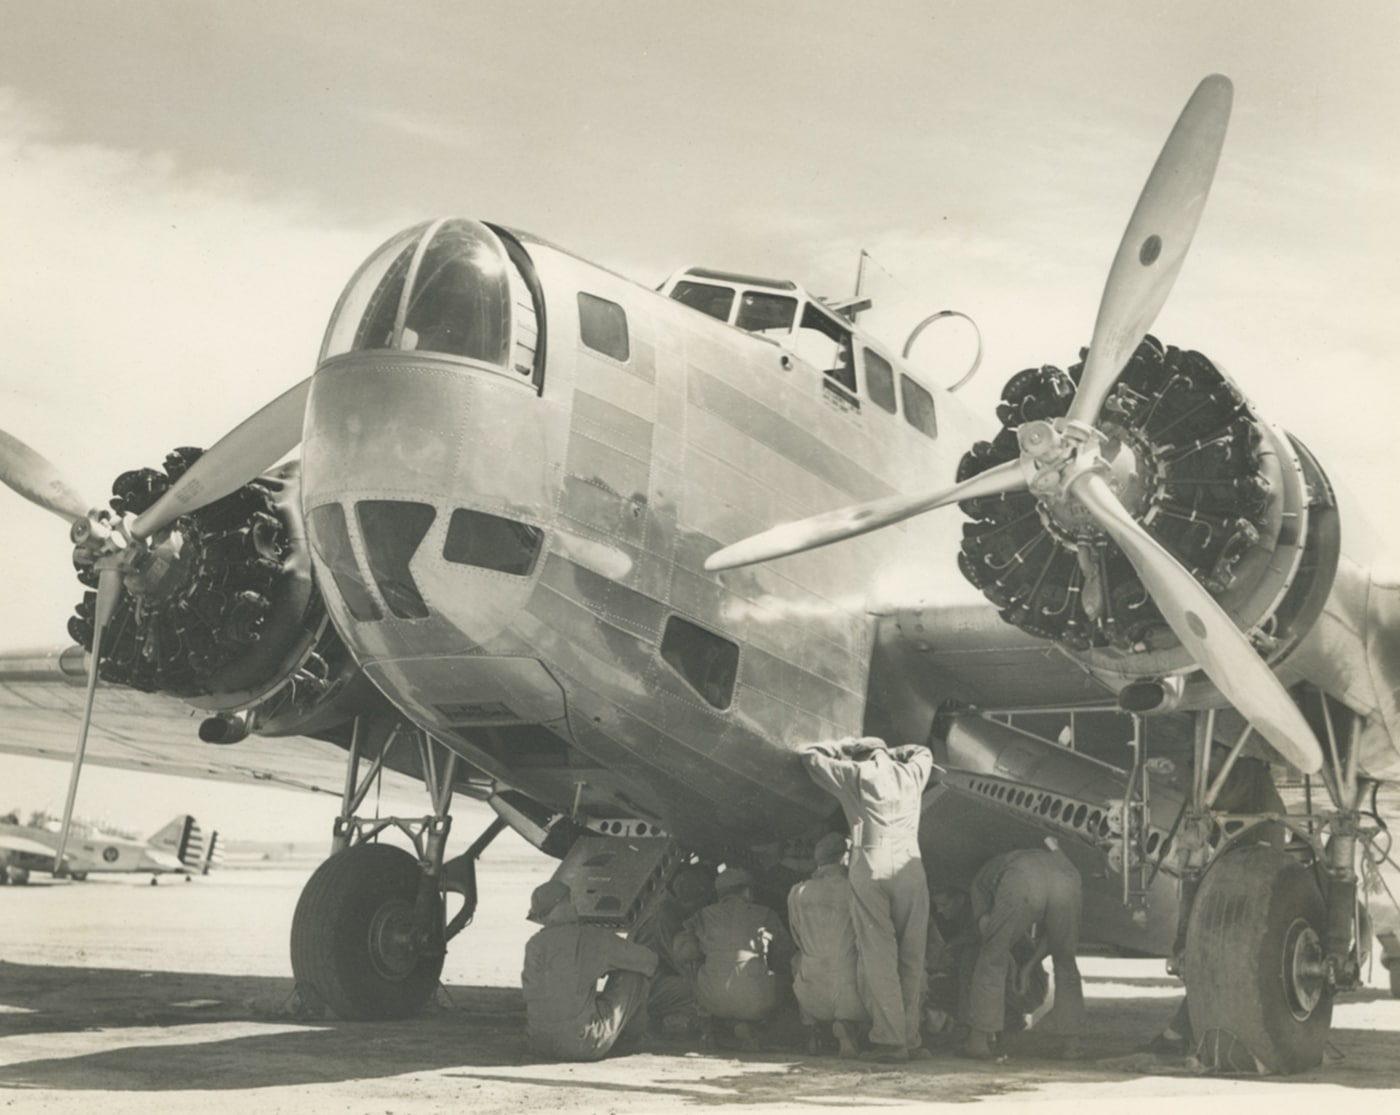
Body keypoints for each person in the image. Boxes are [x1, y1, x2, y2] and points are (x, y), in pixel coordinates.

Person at [801, 736, 935, 1062]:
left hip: (871, 862)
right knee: (912, 957)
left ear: (860, 757)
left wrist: (842, 747)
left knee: (879, 957)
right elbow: (923, 751)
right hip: (911, 865)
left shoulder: (856, 774)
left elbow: (810, 757)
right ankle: (911, 1037)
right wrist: (892, 752)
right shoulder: (911, 773)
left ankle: (891, 1042)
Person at [963, 838, 1084, 1061]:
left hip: (1022, 880)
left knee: (991, 961)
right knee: (1066, 961)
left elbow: (989, 935)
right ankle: (1071, 1046)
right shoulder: (1028, 856)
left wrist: (1009, 961)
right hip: (1066, 873)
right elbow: (1054, 939)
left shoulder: (981, 881)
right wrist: (1029, 966)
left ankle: (978, 1042)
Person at [520, 879, 658, 1061]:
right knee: (633, 974)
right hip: (581, 1045)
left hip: (538, 1044)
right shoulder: (590, 936)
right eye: (570, 900)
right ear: (564, 904)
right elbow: (649, 962)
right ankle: (632, 1039)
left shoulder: (534, 944)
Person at [672, 866, 795, 1050]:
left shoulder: (702, 916)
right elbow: (786, 953)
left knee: (701, 978)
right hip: (757, 1001)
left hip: (712, 1000)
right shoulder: (766, 914)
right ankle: (758, 1028)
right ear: (746, 890)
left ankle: (712, 1027)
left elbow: (683, 952)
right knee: (786, 980)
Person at [787, 831, 868, 1057]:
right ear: (844, 858)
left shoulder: (798, 891)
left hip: (811, 992)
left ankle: (811, 1032)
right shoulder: (857, 890)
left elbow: (797, 936)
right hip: (851, 993)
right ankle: (848, 1026)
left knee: (798, 960)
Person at [630, 863, 715, 1035]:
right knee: (708, 988)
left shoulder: (664, 909)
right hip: (649, 989)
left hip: (647, 985)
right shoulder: (667, 916)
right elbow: (683, 964)